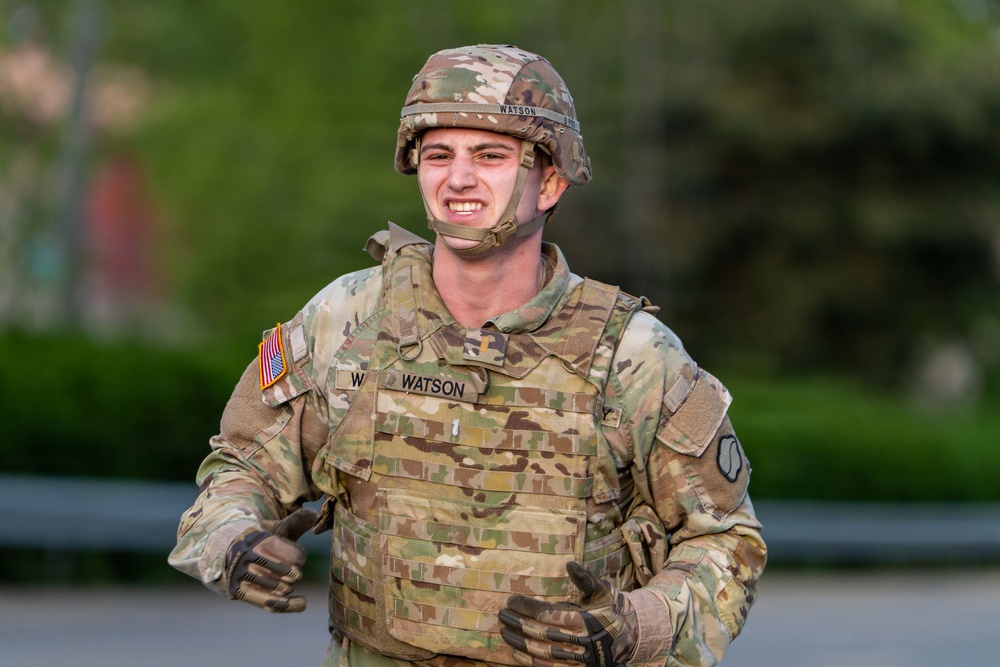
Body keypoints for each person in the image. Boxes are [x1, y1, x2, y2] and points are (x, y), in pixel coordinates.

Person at [169, 44, 766, 667]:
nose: (458, 179)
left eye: (491, 156)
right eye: (438, 156)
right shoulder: (346, 320)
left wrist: (635, 626)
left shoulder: (632, 356)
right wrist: (233, 539)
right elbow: (242, 466)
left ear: (551, 181)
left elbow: (725, 541)